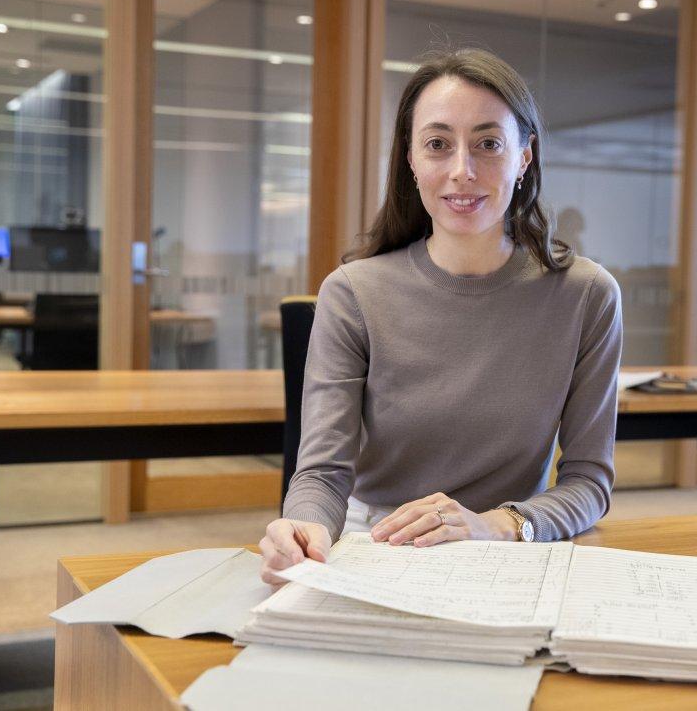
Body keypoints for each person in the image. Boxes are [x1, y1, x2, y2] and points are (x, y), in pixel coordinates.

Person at [260, 48, 622, 586]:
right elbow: (323, 472)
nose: (461, 171)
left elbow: (589, 480)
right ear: (411, 160)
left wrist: (499, 525)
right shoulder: (353, 293)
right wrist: (303, 528)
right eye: (437, 144)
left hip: (507, 541)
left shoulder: (587, 295)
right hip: (374, 541)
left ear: (524, 157)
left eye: (488, 144)